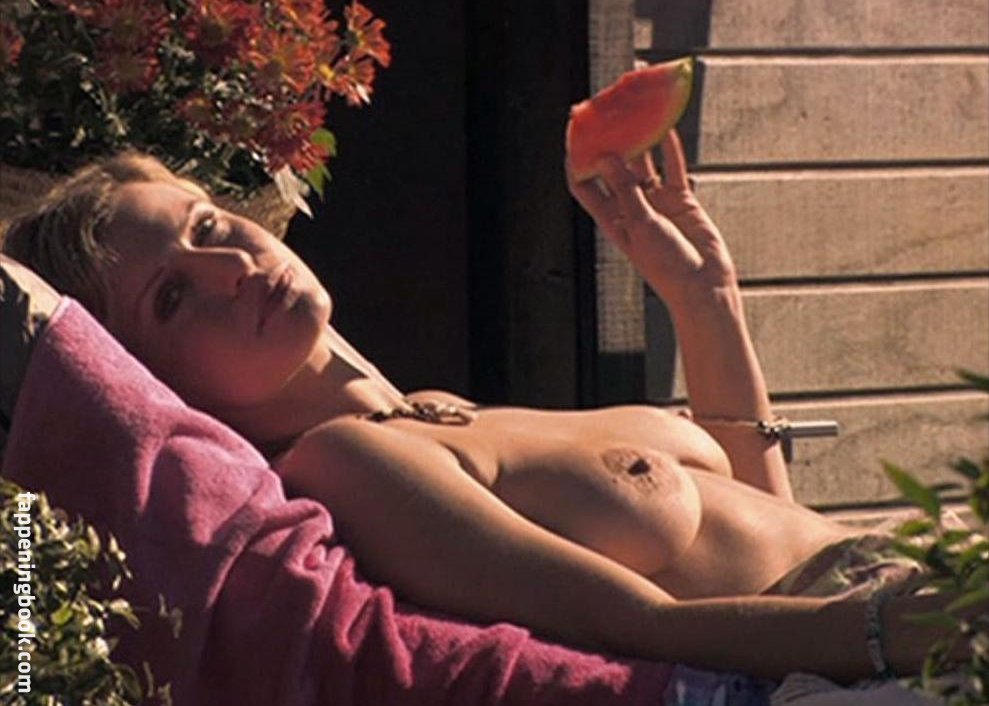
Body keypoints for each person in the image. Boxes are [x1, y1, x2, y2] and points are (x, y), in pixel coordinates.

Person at [0, 132, 961, 683]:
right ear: (153, 381)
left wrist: (705, 301)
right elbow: (641, 629)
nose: (230, 265)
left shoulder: (430, 412)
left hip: (904, 587)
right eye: (172, 296)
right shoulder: (346, 462)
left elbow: (766, 525)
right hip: (886, 647)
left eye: (209, 224)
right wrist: (881, 635)